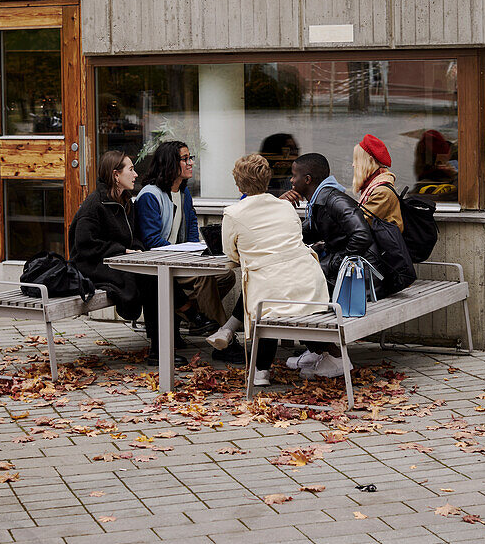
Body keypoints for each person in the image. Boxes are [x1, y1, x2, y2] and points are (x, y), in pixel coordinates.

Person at [221, 154, 329, 387]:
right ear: (267, 179)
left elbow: (231, 254)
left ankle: (260, 372)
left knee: (266, 296)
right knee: (271, 293)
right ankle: (260, 366)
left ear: (238, 184)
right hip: (310, 285)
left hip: (270, 293)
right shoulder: (286, 208)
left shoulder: (233, 213)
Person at [282, 151, 383, 376]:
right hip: (349, 268)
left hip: (363, 274)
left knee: (300, 292)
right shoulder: (320, 199)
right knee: (295, 285)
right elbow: (309, 231)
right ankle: (318, 351)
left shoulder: (333, 199)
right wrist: (280, 210)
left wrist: (333, 262)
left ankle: (335, 357)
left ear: (307, 180)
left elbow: (362, 235)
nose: (291, 180)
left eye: (294, 175)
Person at [135, 140, 236, 340]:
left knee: (226, 276)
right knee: (205, 278)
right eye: (185, 159)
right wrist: (185, 255)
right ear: (169, 163)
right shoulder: (149, 195)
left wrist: (194, 252)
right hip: (159, 264)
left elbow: (191, 226)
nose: (191, 163)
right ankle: (222, 336)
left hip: (180, 260)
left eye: (191, 158)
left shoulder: (183, 192)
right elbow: (152, 241)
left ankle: (188, 313)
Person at [69, 150, 159, 361]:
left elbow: (134, 237)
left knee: (155, 275)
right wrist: (121, 251)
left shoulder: (126, 202)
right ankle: (159, 348)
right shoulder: (94, 204)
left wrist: (135, 250)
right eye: (131, 169)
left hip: (115, 261)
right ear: (116, 175)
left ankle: (161, 345)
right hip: (91, 265)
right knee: (148, 279)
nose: (136, 174)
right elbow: (84, 245)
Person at [352, 134, 403, 230]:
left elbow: (359, 223)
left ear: (370, 161)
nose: (353, 165)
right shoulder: (373, 187)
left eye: (357, 160)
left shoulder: (381, 192)